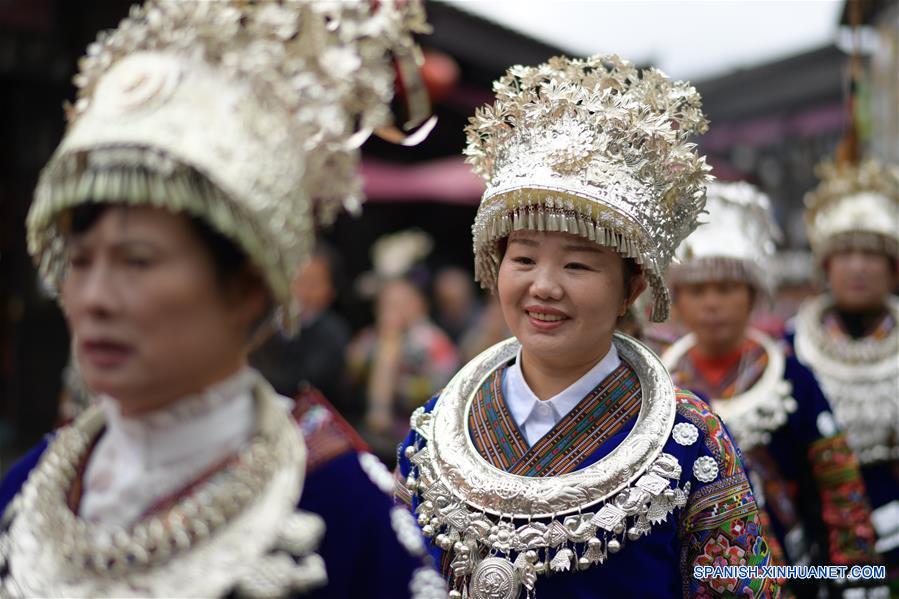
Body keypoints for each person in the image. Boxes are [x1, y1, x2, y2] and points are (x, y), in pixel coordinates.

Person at [0, 2, 445, 597]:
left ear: (248, 285)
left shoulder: (345, 514)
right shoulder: (31, 490)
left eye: (138, 261)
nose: (95, 298)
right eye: (80, 262)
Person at [395, 54, 780, 598]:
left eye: (577, 265)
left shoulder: (693, 442)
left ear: (632, 288)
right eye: (524, 259)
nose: (544, 286)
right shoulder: (434, 431)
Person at [662, 181, 881, 598]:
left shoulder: (790, 375)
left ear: (752, 296)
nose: (712, 304)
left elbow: (838, 481)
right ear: (678, 300)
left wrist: (856, 573)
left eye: (726, 289)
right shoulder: (659, 384)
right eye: (697, 290)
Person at [790, 159, 899, 585]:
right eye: (845, 253)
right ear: (826, 267)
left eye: (871, 253)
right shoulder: (790, 348)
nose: (858, 267)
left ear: (892, 267)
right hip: (818, 541)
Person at [251, 243, 354, 421]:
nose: (302, 291)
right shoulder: (262, 320)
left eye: (312, 283)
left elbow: (301, 383)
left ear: (330, 291)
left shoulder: (332, 333)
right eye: (297, 280)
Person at [432, 266, 483, 345]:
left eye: (455, 300)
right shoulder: (441, 326)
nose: (452, 307)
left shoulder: (483, 315)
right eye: (447, 301)